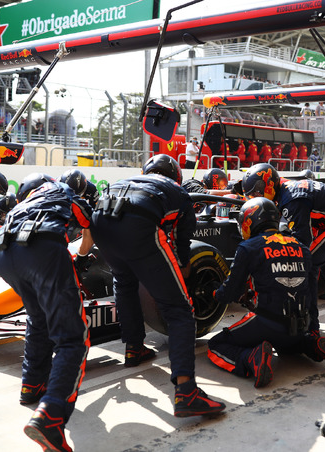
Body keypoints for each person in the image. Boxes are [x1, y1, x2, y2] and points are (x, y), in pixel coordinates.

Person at [89, 154, 226, 418]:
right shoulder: (177, 191)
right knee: (180, 309)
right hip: (138, 224)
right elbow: (181, 244)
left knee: (124, 281)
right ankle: (187, 392)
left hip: (101, 224)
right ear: (175, 174)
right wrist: (180, 272)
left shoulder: (126, 179)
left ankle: (133, 347)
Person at [0, 172, 93, 452]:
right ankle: (50, 416)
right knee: (72, 338)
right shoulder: (64, 191)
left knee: (37, 318)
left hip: (3, 254)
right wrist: (82, 256)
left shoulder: (23, 203)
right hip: (42, 248)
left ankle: (31, 385)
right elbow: (88, 229)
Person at [208, 197, 325, 387]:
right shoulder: (302, 248)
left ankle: (251, 358)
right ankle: (313, 345)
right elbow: (308, 292)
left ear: (251, 220)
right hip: (299, 326)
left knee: (216, 344)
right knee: (287, 347)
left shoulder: (248, 247)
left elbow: (229, 293)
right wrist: (313, 330)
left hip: (266, 324)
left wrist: (214, 293)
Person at [241, 163, 325, 331]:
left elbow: (302, 240)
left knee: (309, 263)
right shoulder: (284, 188)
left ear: (269, 184)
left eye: (256, 192)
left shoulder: (292, 198)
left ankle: (312, 326)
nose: (255, 197)